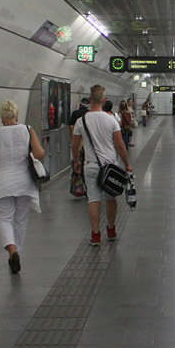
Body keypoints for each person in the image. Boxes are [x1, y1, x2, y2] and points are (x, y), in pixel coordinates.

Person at [0, 100, 45, 273]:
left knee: (4, 219)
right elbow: (39, 153)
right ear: (16, 115)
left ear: (2, 117)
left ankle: (12, 251)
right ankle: (16, 252)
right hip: (24, 182)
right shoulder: (27, 129)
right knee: (20, 220)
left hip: (2, 183)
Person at [71, 85, 132, 245]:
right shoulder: (111, 119)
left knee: (93, 199)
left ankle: (95, 235)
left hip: (90, 165)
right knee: (110, 198)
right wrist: (127, 164)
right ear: (104, 101)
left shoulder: (80, 121)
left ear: (90, 100)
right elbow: (120, 145)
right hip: (110, 166)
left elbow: (75, 145)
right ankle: (111, 230)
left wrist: (77, 162)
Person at [67, 96, 90, 197]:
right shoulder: (89, 114)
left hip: (78, 143)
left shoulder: (75, 113)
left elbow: (71, 127)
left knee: (77, 164)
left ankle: (79, 183)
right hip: (87, 143)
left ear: (80, 104)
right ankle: (88, 186)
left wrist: (73, 140)